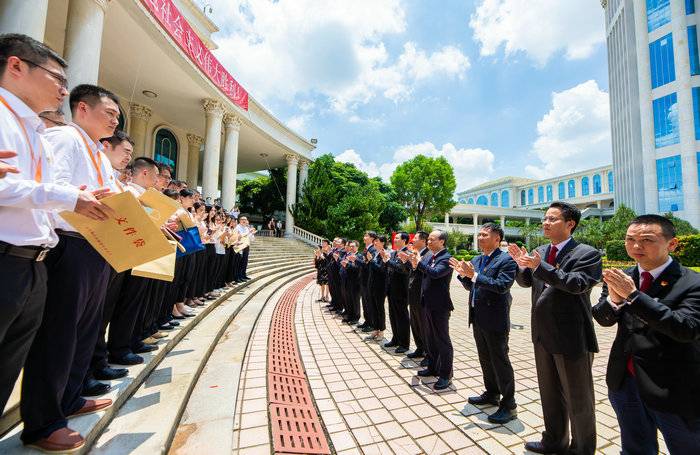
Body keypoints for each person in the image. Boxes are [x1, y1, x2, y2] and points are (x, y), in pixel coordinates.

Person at [0, 35, 110, 447]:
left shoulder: (30, 128)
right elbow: (22, 188)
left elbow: (38, 191)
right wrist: (69, 197)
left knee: (18, 357)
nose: (63, 90)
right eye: (57, 79)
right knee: (55, 338)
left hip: (36, 255)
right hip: (14, 254)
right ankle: (47, 417)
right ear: (16, 67)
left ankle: (54, 410)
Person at [21, 83, 121, 451]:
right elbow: (55, 186)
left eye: (116, 116)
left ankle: (71, 397)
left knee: (84, 328)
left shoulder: (95, 151)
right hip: (70, 244)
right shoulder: (65, 138)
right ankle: (43, 421)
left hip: (97, 246)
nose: (114, 120)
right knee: (59, 333)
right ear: (82, 108)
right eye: (108, 113)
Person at [593, 215, 700, 454]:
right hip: (625, 381)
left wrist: (634, 296)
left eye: (647, 240)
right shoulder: (624, 275)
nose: (636, 246)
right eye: (630, 239)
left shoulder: (692, 282)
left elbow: (686, 328)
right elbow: (603, 318)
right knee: (634, 448)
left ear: (672, 244)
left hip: (672, 387)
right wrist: (615, 300)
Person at [508, 201, 601, 455]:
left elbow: (576, 284)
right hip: (542, 334)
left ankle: (581, 449)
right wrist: (521, 266)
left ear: (570, 224)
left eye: (552, 219)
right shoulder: (540, 250)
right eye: (544, 219)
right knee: (549, 393)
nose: (545, 223)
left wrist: (540, 266)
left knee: (578, 399)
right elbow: (527, 282)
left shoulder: (587, 254)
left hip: (571, 337)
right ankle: (554, 441)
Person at [450, 223, 518, 424]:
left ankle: (509, 404)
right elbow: (472, 285)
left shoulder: (506, 260)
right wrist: (464, 276)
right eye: (478, 234)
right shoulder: (477, 259)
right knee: (485, 359)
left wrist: (475, 276)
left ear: (497, 239)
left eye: (485, 234)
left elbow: (502, 286)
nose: (480, 237)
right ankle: (492, 393)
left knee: (500, 361)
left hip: (495, 318)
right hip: (478, 317)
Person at [409, 230, 454, 390]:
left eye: (432, 240)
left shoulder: (447, 258)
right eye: (427, 239)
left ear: (442, 241)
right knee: (430, 338)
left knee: (442, 341)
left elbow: (435, 274)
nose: (428, 242)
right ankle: (433, 367)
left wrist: (420, 263)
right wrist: (418, 264)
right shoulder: (433, 257)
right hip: (427, 304)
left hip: (440, 306)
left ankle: (445, 375)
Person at [401, 231, 429, 362]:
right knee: (415, 323)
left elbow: (426, 273)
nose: (412, 240)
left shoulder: (427, 255)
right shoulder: (414, 254)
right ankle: (420, 348)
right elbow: (410, 272)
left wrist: (416, 262)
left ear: (424, 241)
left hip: (422, 295)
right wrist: (406, 262)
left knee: (424, 325)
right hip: (412, 295)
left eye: (416, 238)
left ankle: (428, 353)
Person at [383, 232, 411, 353]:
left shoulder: (407, 253)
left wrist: (388, 261)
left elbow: (402, 270)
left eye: (398, 238)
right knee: (393, 315)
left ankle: (404, 343)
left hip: (401, 290)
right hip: (392, 289)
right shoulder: (394, 252)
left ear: (404, 240)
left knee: (402, 317)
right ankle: (395, 338)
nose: (395, 239)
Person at [357, 231, 378, 333]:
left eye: (366, 236)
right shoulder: (365, 249)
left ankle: (371, 323)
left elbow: (368, 265)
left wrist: (356, 260)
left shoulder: (373, 250)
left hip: (368, 279)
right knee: (365, 302)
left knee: (369, 302)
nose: (364, 237)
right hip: (363, 279)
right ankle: (367, 321)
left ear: (372, 238)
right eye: (364, 235)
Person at [368, 235, 389, 341]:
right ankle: (375, 328)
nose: (375, 243)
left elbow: (382, 270)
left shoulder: (384, 254)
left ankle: (381, 331)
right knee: (373, 307)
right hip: (372, 284)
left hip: (380, 286)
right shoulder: (375, 253)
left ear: (383, 243)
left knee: (379, 308)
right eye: (374, 241)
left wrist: (371, 261)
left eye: (377, 241)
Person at [341, 240, 362, 324]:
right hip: (347, 280)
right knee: (348, 299)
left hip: (356, 281)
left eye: (353, 246)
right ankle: (350, 316)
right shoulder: (349, 255)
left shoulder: (359, 256)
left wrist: (347, 265)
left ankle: (355, 317)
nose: (351, 248)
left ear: (357, 247)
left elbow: (358, 268)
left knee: (355, 300)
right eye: (350, 246)